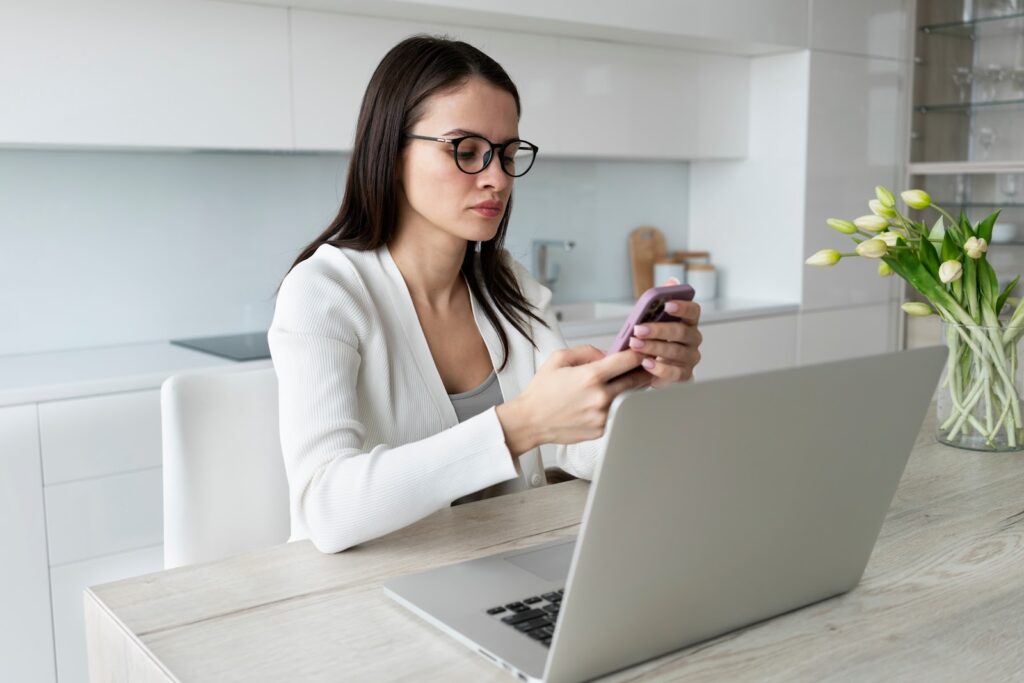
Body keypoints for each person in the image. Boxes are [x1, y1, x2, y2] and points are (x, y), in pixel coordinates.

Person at [269, 35, 702, 554]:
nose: (497, 178)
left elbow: (576, 450)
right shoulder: (324, 293)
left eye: (507, 153)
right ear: (390, 149)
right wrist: (521, 424)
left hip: (505, 570)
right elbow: (326, 507)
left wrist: (658, 387)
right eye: (466, 151)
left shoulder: (511, 287)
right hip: (365, 597)